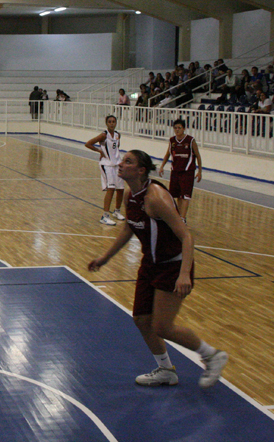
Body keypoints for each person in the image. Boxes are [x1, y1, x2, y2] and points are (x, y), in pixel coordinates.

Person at [88, 150, 228, 389]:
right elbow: (128, 230)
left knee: (162, 326)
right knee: (142, 320)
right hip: (150, 264)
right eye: (122, 160)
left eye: (128, 161)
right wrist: (105, 258)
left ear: (141, 170)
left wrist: (184, 273)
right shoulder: (131, 196)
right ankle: (166, 370)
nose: (121, 164)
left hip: (173, 265)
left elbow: (186, 236)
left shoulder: (156, 198)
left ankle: (213, 355)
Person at [158, 119, 202, 223]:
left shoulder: (190, 140)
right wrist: (162, 166)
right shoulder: (172, 140)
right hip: (175, 171)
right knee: (177, 195)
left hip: (187, 172)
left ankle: (182, 218)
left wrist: (200, 171)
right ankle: (179, 216)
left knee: (185, 196)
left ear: (184, 129)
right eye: (175, 128)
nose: (177, 130)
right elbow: (167, 154)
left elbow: (198, 156)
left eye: (179, 128)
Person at [85, 115, 125, 226]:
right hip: (106, 164)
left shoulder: (118, 135)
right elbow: (88, 143)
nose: (112, 123)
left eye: (113, 121)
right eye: (110, 122)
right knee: (111, 188)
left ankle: (117, 211)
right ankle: (105, 216)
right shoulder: (103, 135)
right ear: (106, 123)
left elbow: (115, 148)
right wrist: (100, 151)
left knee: (120, 189)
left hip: (117, 164)